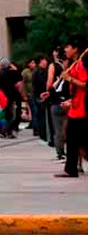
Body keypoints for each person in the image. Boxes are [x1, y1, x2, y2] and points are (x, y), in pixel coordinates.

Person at [54, 36, 88, 178]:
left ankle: (71, 169)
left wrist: (69, 79)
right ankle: (71, 169)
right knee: (73, 140)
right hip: (76, 108)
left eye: (68, 47)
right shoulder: (76, 63)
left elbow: (86, 85)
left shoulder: (82, 64)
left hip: (83, 109)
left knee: (80, 140)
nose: (65, 50)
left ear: (75, 49)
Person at [42, 47, 68, 161]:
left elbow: (49, 83)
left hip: (56, 101)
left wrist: (48, 90)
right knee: (67, 129)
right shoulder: (70, 65)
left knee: (57, 129)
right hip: (69, 101)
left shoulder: (53, 66)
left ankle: (60, 152)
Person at [0, 57, 23, 138]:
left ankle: (2, 129)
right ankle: (8, 130)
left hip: (2, 96)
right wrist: (14, 68)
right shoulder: (13, 73)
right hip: (12, 96)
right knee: (13, 115)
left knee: (3, 114)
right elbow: (20, 78)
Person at [31, 55, 50, 142]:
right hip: (41, 96)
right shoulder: (39, 72)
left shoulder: (39, 71)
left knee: (41, 115)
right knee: (42, 116)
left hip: (40, 95)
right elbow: (40, 84)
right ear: (40, 61)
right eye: (44, 61)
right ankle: (43, 134)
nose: (45, 62)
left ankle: (43, 133)